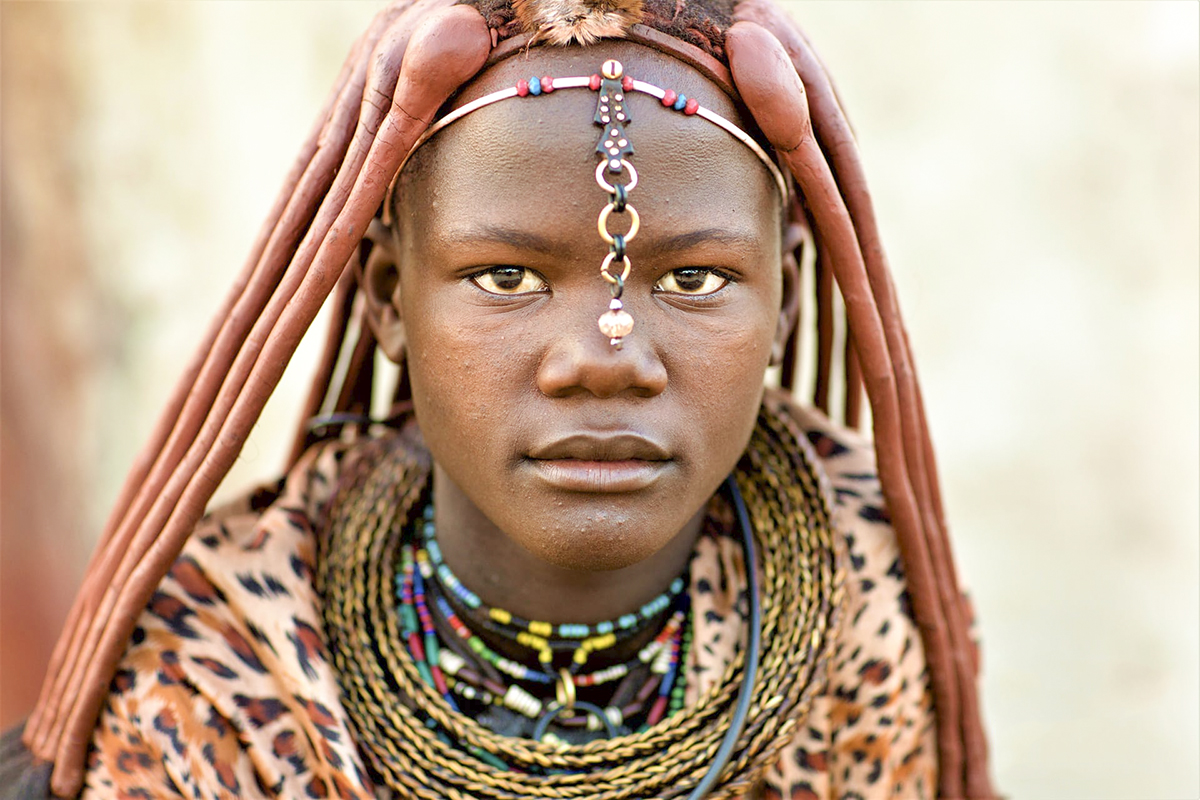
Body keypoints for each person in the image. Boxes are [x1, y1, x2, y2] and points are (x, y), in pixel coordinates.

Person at [3, 0, 994, 797]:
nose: (606, 360)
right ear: (389, 298)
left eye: (693, 281)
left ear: (782, 300)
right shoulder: (215, 677)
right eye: (507, 278)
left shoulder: (863, 590)